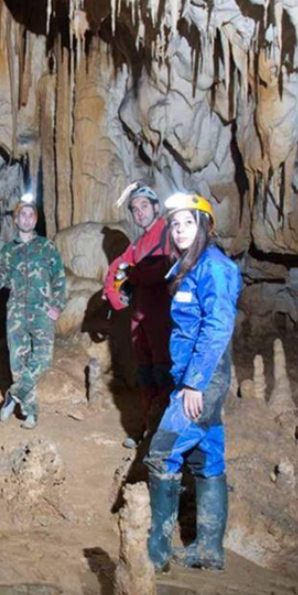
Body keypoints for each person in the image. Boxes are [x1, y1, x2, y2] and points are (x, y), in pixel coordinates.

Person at [144, 192, 241, 572]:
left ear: (204, 226)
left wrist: (196, 384)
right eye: (175, 223)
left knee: (162, 451)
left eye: (188, 222)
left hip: (205, 377)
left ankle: (157, 554)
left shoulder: (214, 267)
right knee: (206, 458)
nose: (180, 229)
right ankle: (209, 550)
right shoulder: (189, 266)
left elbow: (218, 327)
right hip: (192, 377)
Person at [104, 182, 173, 449]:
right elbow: (117, 267)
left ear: (156, 207)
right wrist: (114, 295)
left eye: (144, 206)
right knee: (145, 376)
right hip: (141, 323)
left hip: (164, 320)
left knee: (164, 376)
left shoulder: (168, 233)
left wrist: (133, 276)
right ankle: (149, 428)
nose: (139, 212)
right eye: (134, 209)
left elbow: (163, 268)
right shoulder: (139, 243)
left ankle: (165, 435)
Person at [0, 196, 67, 430]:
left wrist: (58, 305)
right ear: (16, 220)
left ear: (35, 219)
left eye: (31, 215)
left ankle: (14, 394)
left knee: (43, 358)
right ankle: (30, 412)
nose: (27, 218)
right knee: (18, 362)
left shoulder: (46, 246)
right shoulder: (7, 251)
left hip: (42, 311)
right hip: (16, 312)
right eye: (22, 214)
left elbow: (59, 278)